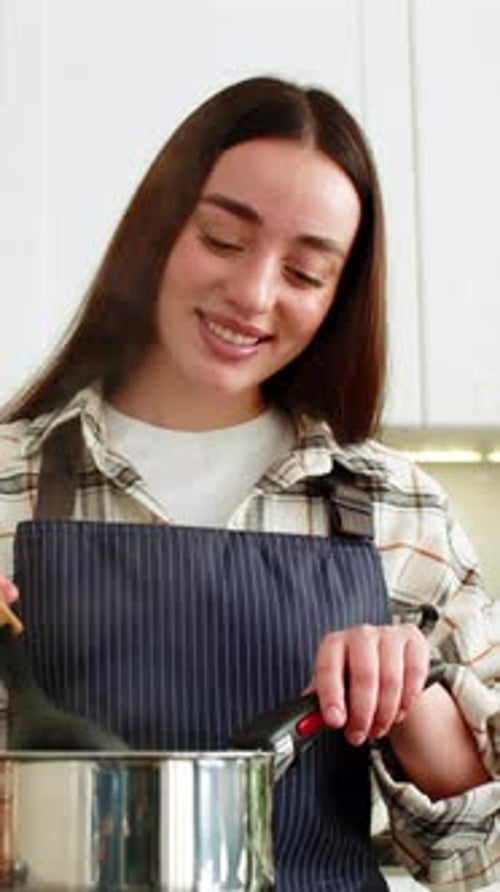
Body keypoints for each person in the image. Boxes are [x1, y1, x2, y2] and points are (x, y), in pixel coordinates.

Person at [0, 76, 498, 891]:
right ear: (159, 230)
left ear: (339, 297)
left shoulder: (396, 507)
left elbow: (480, 855)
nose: (254, 293)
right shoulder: (8, 475)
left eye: (305, 274)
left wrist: (412, 699)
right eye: (225, 241)